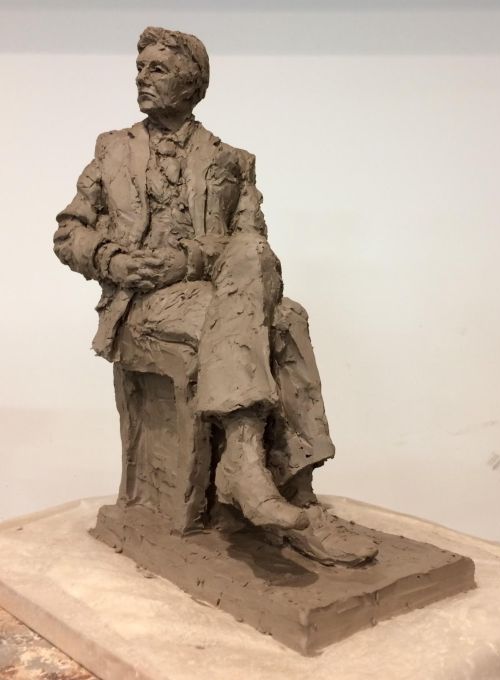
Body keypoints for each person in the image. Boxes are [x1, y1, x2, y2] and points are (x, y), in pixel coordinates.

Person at [54, 26, 377, 566]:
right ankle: (277, 483)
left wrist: (188, 260)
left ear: (192, 82)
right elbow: (69, 232)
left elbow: (252, 247)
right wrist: (112, 260)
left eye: (157, 69)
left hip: (213, 294)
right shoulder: (111, 149)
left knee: (275, 292)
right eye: (140, 68)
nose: (142, 78)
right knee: (284, 319)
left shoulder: (233, 160)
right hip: (143, 305)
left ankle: (267, 477)